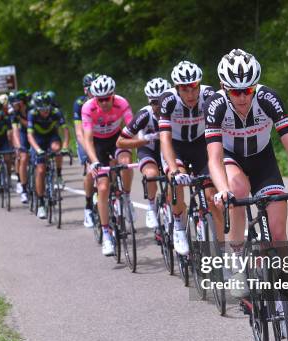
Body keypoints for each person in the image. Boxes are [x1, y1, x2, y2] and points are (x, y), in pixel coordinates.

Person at [205, 48, 288, 338]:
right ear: (223, 88)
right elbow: (214, 158)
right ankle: (237, 256)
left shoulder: (267, 98)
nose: (242, 97)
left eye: (248, 90)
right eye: (235, 91)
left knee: (278, 235)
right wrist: (223, 191)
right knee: (238, 190)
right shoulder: (216, 106)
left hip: (263, 160)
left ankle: (284, 305)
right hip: (232, 160)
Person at [158, 60, 221, 256]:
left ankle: (223, 249)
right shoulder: (168, 100)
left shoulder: (209, 95)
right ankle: (178, 225)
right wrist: (173, 169)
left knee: (212, 196)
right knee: (176, 179)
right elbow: (165, 139)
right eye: (185, 90)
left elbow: (220, 131)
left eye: (194, 88)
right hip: (176, 146)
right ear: (177, 89)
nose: (191, 94)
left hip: (201, 144)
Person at [82, 75, 134, 256]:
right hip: (97, 144)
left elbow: (132, 128)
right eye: (100, 99)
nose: (104, 103)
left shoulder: (122, 103)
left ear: (113, 95)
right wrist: (94, 160)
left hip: (116, 139)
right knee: (103, 187)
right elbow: (87, 139)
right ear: (95, 98)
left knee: (126, 162)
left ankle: (126, 197)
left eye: (107, 98)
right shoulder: (88, 107)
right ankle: (106, 234)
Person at [117, 78, 171, 229]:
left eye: (162, 101)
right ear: (149, 101)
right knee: (151, 174)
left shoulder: (176, 111)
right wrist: (144, 140)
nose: (159, 106)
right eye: (154, 102)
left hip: (169, 151)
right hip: (148, 149)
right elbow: (120, 142)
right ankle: (152, 207)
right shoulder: (144, 115)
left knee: (174, 180)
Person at [27, 93, 70, 219]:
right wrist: (37, 149)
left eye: (47, 109)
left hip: (52, 136)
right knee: (40, 170)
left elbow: (65, 130)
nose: (45, 112)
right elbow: (29, 135)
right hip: (37, 139)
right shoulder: (32, 114)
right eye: (42, 110)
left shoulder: (56, 112)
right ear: (37, 109)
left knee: (57, 149)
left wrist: (66, 146)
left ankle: (58, 173)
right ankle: (40, 203)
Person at [73, 72, 99, 227]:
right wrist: (88, 151)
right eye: (92, 88)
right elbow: (78, 132)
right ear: (85, 90)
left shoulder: (105, 100)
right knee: (90, 170)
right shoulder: (79, 103)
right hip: (85, 138)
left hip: (102, 137)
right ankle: (88, 206)